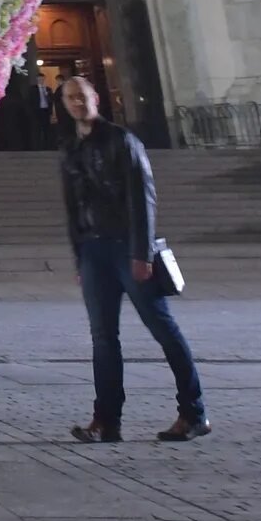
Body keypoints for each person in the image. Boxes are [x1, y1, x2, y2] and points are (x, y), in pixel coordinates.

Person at [58, 73, 208, 443]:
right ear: (64, 104)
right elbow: (72, 208)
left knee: (162, 329)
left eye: (83, 95)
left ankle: (194, 412)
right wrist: (80, 258)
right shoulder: (70, 149)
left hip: (128, 247)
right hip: (94, 251)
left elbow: (143, 199)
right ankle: (106, 420)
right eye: (70, 98)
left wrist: (141, 254)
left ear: (96, 97)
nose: (78, 102)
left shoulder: (122, 141)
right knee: (102, 337)